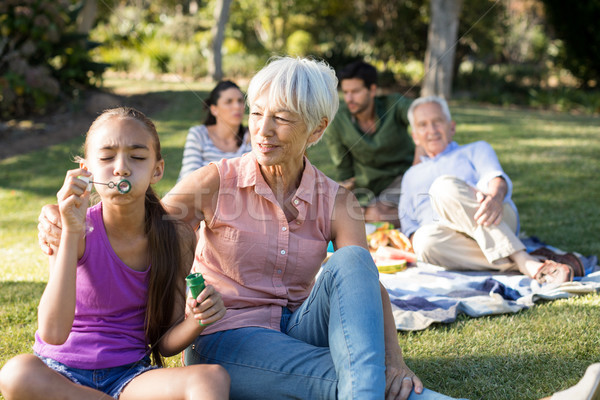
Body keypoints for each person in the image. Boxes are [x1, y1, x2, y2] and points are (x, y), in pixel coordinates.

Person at [36, 59, 462, 400]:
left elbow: (366, 285)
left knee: (352, 261)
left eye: (282, 118)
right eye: (257, 113)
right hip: (228, 334)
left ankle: (367, 377)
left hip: (300, 327)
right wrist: (58, 217)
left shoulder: (339, 201)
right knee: (351, 372)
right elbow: (140, 220)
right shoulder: (214, 181)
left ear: (317, 128)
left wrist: (396, 360)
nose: (262, 129)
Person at [0, 107, 229, 400]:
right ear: (86, 170)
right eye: (107, 157)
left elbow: (165, 343)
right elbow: (53, 333)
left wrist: (196, 320)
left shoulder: (178, 236)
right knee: (16, 373)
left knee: (211, 379)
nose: (121, 167)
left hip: (130, 377)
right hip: (58, 373)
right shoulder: (67, 227)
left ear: (157, 169)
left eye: (137, 156)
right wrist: (71, 231)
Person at [399, 96, 584, 284]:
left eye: (437, 122)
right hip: (450, 239)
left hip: (493, 216)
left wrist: (495, 197)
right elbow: (409, 227)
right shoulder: (410, 176)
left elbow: (496, 179)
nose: (431, 130)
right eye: (423, 125)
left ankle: (523, 260)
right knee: (423, 242)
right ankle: (532, 263)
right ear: (415, 136)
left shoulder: (476, 149)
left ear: (451, 127)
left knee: (441, 187)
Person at [323, 60, 420, 227]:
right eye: (345, 92)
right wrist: (351, 200)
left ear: (372, 90)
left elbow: (421, 114)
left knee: (375, 214)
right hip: (370, 188)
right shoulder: (338, 122)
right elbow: (344, 171)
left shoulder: (394, 105)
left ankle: (421, 215)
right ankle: (418, 215)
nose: (349, 98)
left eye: (355, 91)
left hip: (404, 178)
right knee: (338, 216)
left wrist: (418, 166)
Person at [178, 80, 252, 181]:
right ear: (214, 109)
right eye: (229, 102)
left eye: (240, 101)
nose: (237, 106)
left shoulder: (252, 137)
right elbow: (188, 179)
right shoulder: (199, 134)